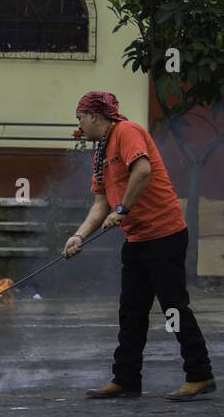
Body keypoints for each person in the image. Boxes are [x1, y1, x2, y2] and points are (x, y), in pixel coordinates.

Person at [63, 91, 215, 401]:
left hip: (165, 234)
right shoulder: (100, 153)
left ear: (94, 116)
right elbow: (100, 204)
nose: (78, 124)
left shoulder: (126, 131)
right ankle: (126, 379)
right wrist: (79, 236)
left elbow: (142, 170)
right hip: (137, 239)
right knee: (131, 311)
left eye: (80, 117)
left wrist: (123, 210)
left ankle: (200, 375)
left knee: (173, 305)